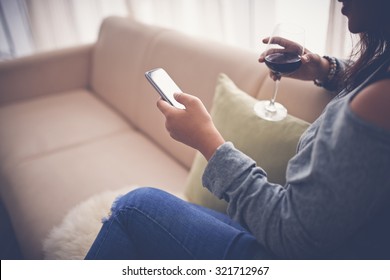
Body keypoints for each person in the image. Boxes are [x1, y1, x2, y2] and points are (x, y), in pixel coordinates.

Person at [85, 0, 390, 259]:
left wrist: (208, 142)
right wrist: (326, 68)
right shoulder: (381, 70)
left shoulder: (381, 99)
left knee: (133, 207)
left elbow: (291, 235)